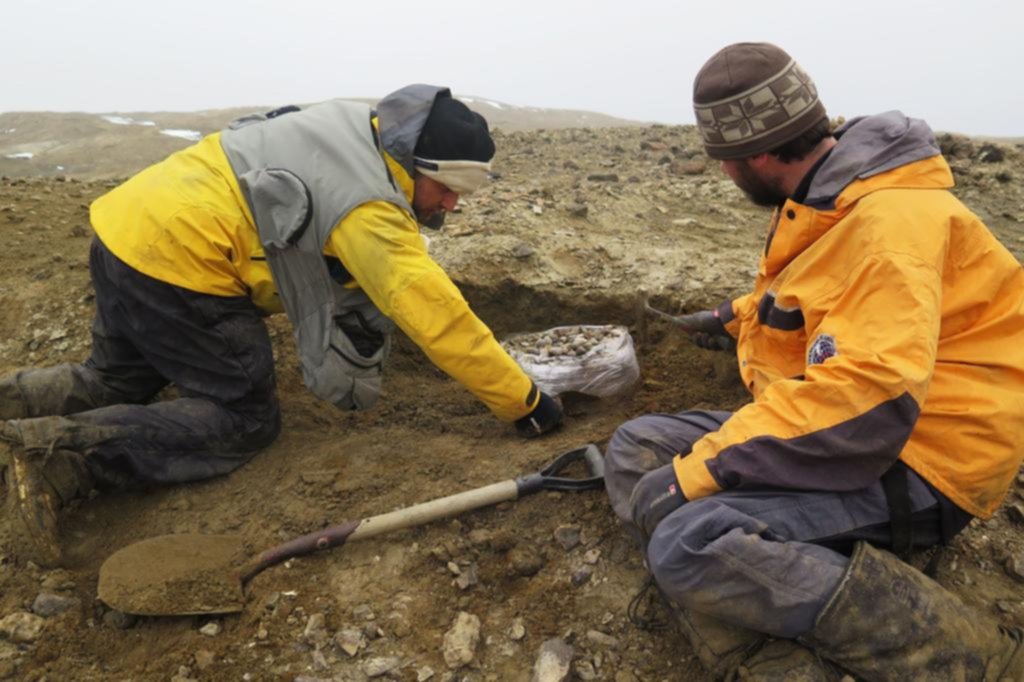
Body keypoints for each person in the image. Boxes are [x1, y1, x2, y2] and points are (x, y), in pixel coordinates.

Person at [0, 84, 563, 566]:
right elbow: (437, 316)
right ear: (419, 166)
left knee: (115, 380)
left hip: (127, 227)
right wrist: (525, 401)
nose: (451, 208)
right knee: (241, 417)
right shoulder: (368, 207)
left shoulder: (356, 124)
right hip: (183, 261)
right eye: (447, 191)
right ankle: (50, 458)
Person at [605, 43, 1024, 681]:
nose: (723, 175)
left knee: (690, 536)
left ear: (761, 156)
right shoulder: (837, 193)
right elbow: (829, 298)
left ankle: (970, 657)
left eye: (725, 162)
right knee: (637, 446)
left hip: (926, 453)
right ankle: (737, 581)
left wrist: (700, 475)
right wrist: (737, 317)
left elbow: (869, 399)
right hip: (860, 420)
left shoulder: (890, 227)